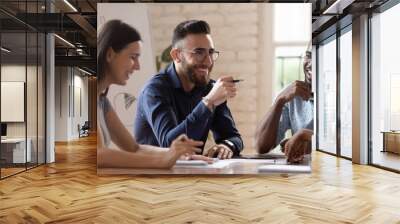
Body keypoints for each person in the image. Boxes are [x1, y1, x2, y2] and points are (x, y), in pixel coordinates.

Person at [97, 20, 212, 169]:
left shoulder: (102, 101)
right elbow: (99, 154)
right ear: (110, 54)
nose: (137, 66)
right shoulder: (90, 97)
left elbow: (134, 148)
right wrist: (161, 161)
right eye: (133, 57)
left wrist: (176, 155)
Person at [134, 20, 243, 160]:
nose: (208, 61)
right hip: (153, 177)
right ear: (176, 55)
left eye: (211, 52)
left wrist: (226, 145)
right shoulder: (154, 90)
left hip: (190, 175)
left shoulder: (209, 88)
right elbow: (170, 145)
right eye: (199, 52)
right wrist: (208, 102)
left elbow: (233, 137)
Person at [255, 51, 313, 162]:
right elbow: (262, 146)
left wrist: (305, 135)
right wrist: (279, 101)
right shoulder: (294, 95)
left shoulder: (340, 97)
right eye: (308, 56)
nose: (310, 63)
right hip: (304, 177)